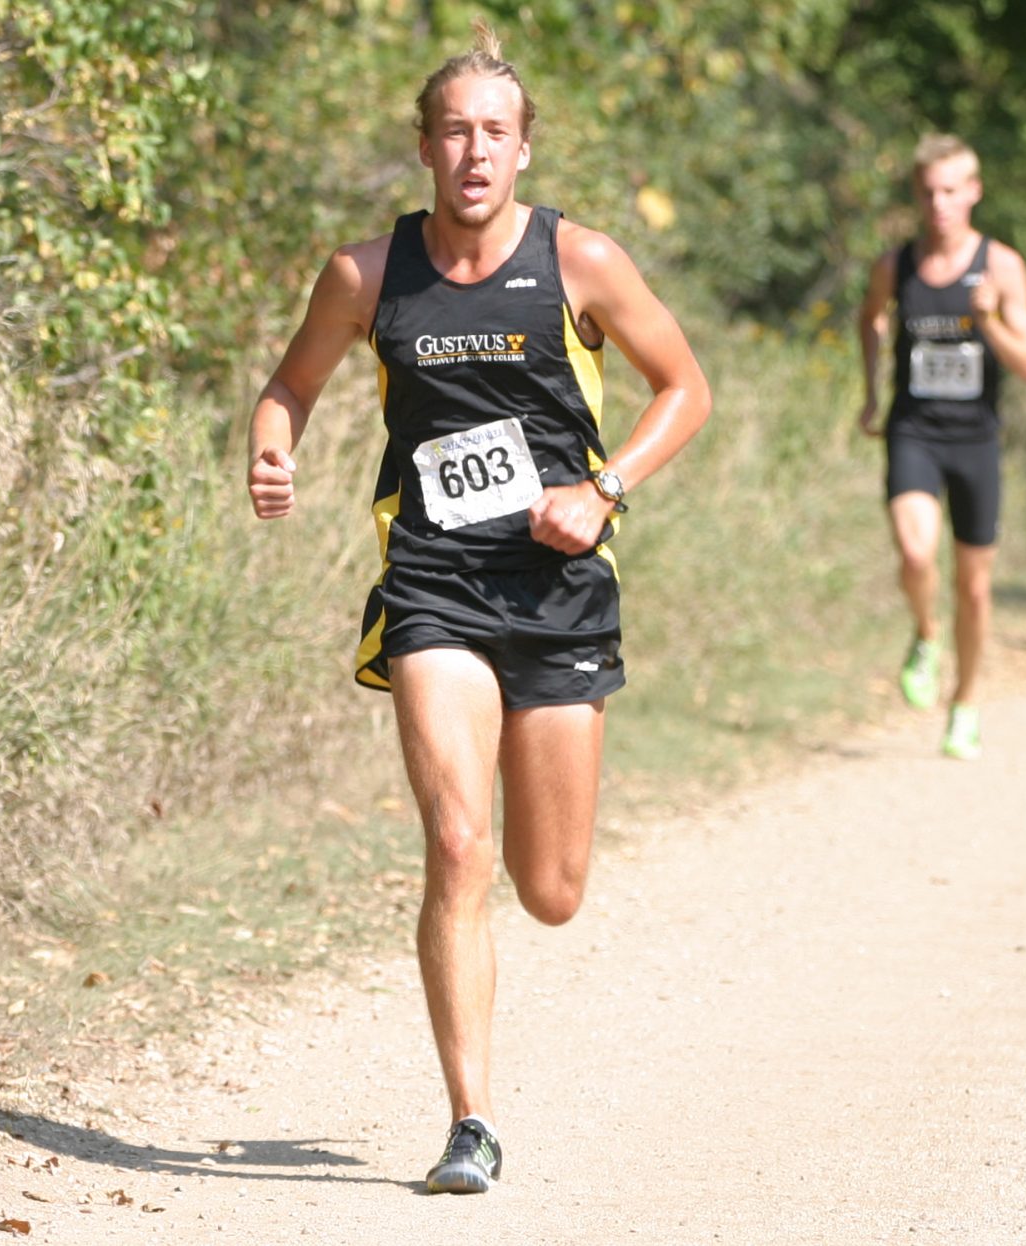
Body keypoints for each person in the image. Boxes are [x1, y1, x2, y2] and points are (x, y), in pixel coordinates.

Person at [243, 23, 711, 1194]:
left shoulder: (581, 263)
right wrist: (271, 447)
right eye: (453, 130)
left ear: (523, 151)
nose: (473, 151)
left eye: (494, 132)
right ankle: (471, 1121)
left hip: (557, 591)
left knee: (549, 890)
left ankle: (518, 930)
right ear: (422, 146)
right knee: (456, 845)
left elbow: (685, 388)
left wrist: (602, 490)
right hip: (433, 586)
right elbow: (290, 382)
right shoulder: (365, 274)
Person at [855, 134, 1026, 759]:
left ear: (974, 192)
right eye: (929, 191)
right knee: (915, 555)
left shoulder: (1002, 266)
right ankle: (926, 635)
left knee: (974, 587)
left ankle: (964, 703)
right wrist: (870, 393)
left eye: (952, 191)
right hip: (914, 430)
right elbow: (869, 319)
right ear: (918, 194)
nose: (939, 204)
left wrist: (989, 320)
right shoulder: (897, 265)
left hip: (976, 439)